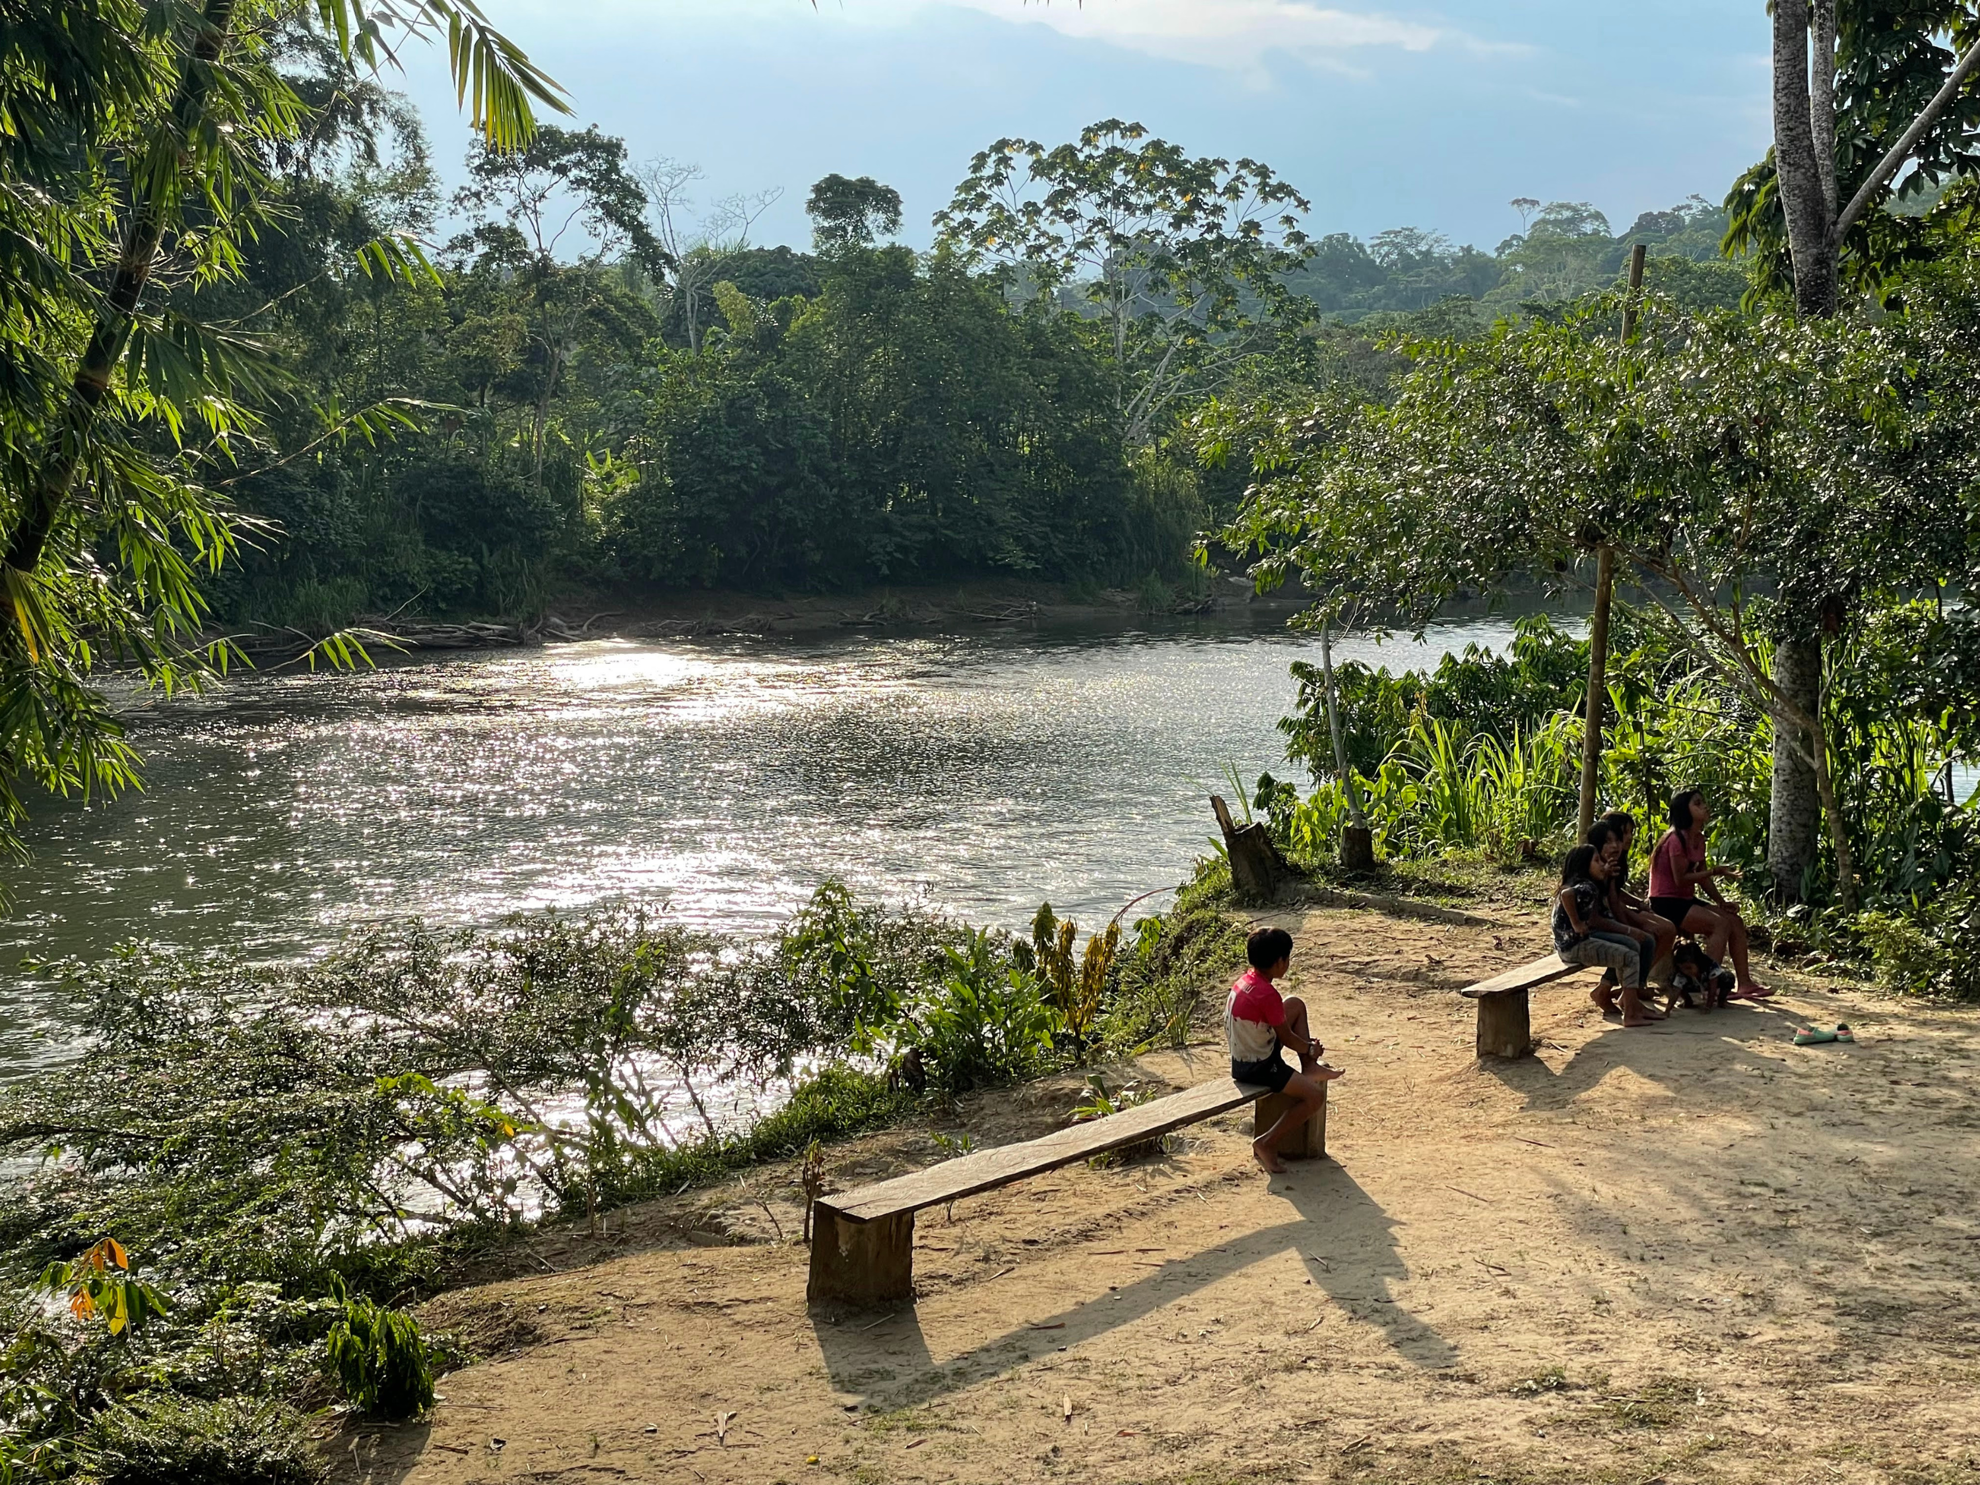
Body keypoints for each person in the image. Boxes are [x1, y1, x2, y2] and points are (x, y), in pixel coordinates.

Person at [1225, 927, 1342, 1175]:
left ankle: (1309, 1069)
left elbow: (1282, 1029)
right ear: (1280, 962)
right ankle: (1267, 1142)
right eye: (1287, 958)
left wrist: (1307, 1051)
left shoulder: (1247, 981)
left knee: (1295, 1005)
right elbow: (1287, 1038)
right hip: (1258, 1067)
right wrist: (1311, 1049)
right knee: (1314, 1098)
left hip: (1244, 1056)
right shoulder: (1267, 994)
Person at [1648, 789, 1770, 999]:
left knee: (1735, 920)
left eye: (1703, 802)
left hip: (1684, 900)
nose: (1704, 806)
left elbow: (1702, 878)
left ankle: (1745, 983)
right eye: (1697, 803)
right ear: (1684, 811)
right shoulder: (1675, 840)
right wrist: (1715, 870)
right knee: (1719, 924)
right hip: (1665, 902)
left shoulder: (1699, 838)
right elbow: (1681, 879)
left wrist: (1721, 902)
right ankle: (1706, 982)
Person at [1554, 844, 1662, 1028]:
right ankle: (1631, 1012)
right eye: (1597, 861)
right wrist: (1576, 923)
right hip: (1574, 946)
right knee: (1629, 956)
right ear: (1584, 865)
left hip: (1571, 943)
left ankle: (1631, 1003)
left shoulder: (1587, 884)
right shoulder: (1586, 887)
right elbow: (1566, 894)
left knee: (1632, 947)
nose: (1602, 865)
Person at [1594, 811, 1677, 989]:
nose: (1630, 837)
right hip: (1605, 915)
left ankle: (1638, 979)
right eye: (1625, 833)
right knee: (1645, 936)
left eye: (1632, 832)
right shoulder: (1600, 860)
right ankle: (1623, 986)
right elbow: (1611, 902)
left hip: (1616, 909)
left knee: (1668, 929)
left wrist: (1638, 904)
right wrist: (1634, 923)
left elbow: (1616, 892)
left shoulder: (1619, 858)